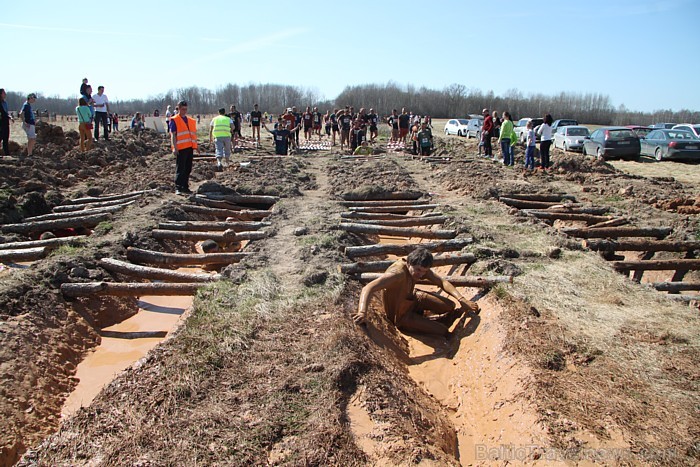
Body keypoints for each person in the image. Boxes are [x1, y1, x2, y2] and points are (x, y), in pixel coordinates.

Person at [353, 247, 479, 336]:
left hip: (411, 298)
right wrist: (362, 312)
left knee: (450, 305)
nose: (421, 274)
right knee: (443, 331)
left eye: (424, 271)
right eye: (418, 270)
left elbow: (442, 282)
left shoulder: (419, 266)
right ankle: (429, 321)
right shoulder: (397, 274)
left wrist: (462, 299)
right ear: (408, 263)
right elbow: (368, 288)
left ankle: (424, 316)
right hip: (400, 315)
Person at [169, 100, 200, 195]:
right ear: (178, 108)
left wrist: (196, 146)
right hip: (181, 148)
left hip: (189, 147)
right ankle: (178, 187)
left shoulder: (190, 120)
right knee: (180, 168)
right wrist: (174, 147)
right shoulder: (174, 120)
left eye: (186, 109)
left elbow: (192, 135)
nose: (184, 111)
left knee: (188, 168)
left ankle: (185, 186)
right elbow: (173, 135)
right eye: (183, 109)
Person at [0, 88, 14, 157]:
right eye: (4, 93)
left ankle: (7, 154)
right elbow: (2, 113)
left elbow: (6, 113)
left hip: (6, 122)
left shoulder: (5, 103)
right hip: (1, 123)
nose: (5, 94)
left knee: (6, 138)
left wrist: (10, 117)